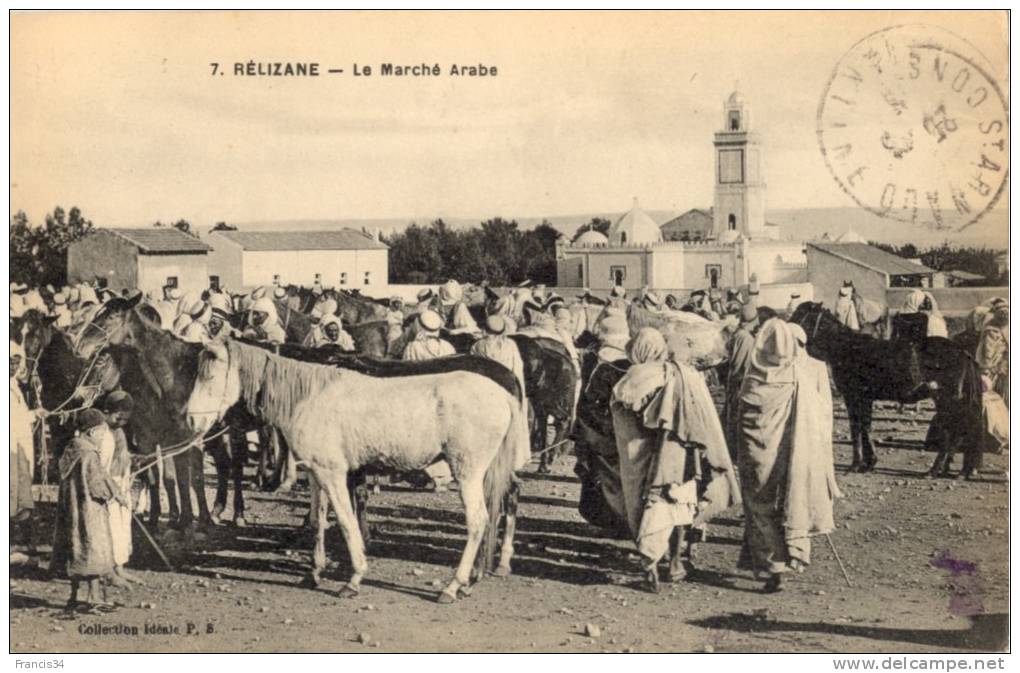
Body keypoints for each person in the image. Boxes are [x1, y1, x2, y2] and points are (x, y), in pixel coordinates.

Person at [610, 327, 740, 591]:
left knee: (645, 504)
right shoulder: (684, 374)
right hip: (679, 452)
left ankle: (650, 566)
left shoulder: (635, 376)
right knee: (679, 503)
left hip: (642, 455)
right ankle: (675, 563)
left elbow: (626, 407)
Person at [736, 319, 841, 592]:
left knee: (760, 506)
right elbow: (818, 419)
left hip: (756, 458)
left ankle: (772, 567)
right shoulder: (797, 378)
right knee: (790, 499)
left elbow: (739, 419)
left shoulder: (751, 379)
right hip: (791, 454)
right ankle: (790, 555)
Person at [51, 409, 125, 614]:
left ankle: (75, 597)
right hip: (89, 512)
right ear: (92, 432)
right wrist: (114, 495)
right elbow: (97, 485)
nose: (102, 437)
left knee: (76, 550)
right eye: (101, 432)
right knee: (93, 550)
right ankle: (93, 598)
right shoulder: (90, 454)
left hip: (71, 511)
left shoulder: (71, 449)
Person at [402, 310, 456, 490]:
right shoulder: (448, 347)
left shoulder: (413, 347)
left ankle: (429, 475)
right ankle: (444, 476)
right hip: (446, 396)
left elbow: (406, 374)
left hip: (422, 397)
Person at [99, 391, 144, 586]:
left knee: (122, 527)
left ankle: (119, 568)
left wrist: (134, 460)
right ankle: (108, 570)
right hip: (107, 488)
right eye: (118, 417)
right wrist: (113, 490)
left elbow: (121, 457)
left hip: (120, 483)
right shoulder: (101, 433)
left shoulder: (118, 431)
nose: (121, 421)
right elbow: (100, 466)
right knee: (110, 527)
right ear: (107, 412)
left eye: (125, 418)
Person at [10, 341, 38, 557]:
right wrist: (34, 415)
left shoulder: (14, 386)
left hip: (19, 446)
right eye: (10, 362)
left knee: (21, 490)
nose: (13, 366)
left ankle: (21, 543)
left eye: (16, 362)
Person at [723, 303, 759, 457]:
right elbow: (741, 365)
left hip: (735, 381)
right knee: (736, 419)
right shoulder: (746, 338)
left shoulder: (738, 334)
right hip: (740, 382)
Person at [470, 315, 527, 412]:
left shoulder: (477, 346)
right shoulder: (510, 344)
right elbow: (518, 368)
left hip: (487, 387)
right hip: (507, 385)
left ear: (484, 329)